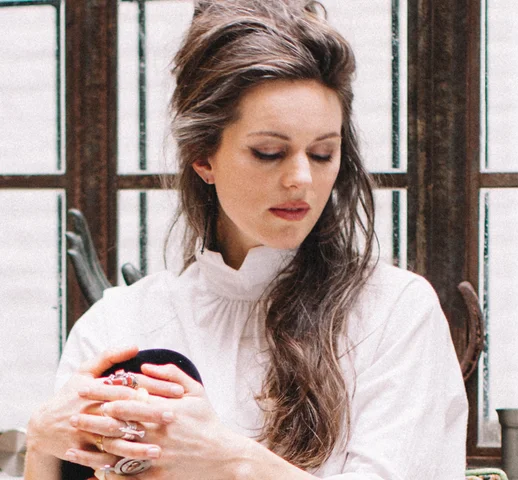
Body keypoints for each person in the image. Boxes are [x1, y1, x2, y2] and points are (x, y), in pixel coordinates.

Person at [24, 1, 468, 478]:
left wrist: (226, 457)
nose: (301, 179)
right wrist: (40, 446)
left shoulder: (395, 312)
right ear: (203, 157)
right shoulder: (119, 322)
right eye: (269, 152)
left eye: (323, 154)